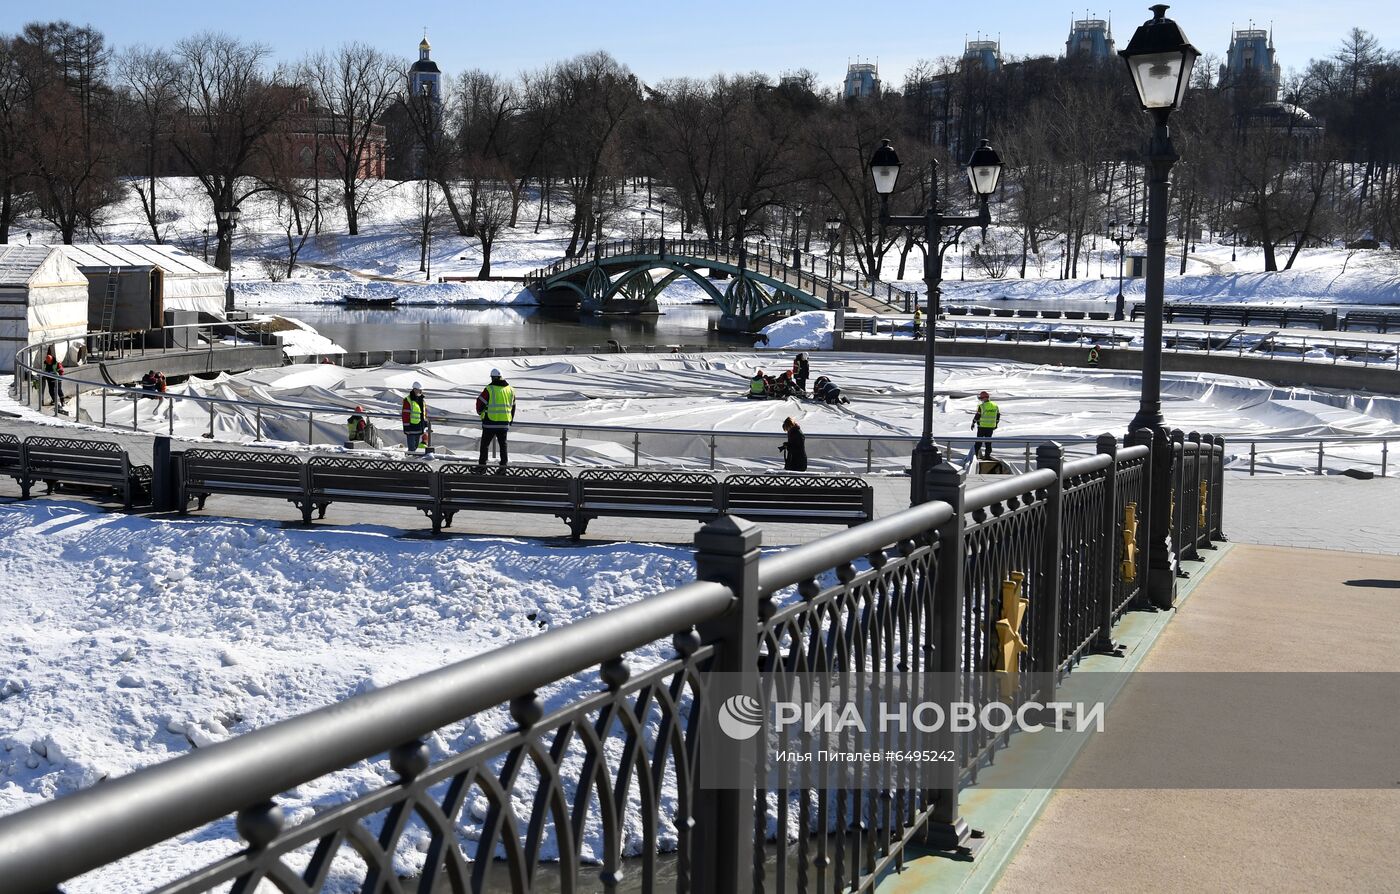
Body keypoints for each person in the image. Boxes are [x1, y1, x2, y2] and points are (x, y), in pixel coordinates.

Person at [476, 368, 516, 467]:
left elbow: (480, 402)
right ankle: (503, 466)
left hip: (490, 422)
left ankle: (482, 467)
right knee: (503, 445)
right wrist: (510, 419)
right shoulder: (510, 389)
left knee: (485, 445)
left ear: (493, 378)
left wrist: (480, 412)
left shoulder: (490, 389)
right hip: (504, 423)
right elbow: (513, 406)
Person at [970, 390, 1001, 459]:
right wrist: (996, 424)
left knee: (978, 442)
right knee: (988, 442)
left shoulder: (981, 406)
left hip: (982, 426)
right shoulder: (995, 405)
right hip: (990, 427)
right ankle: (987, 456)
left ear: (985, 398)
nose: (981, 400)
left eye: (981, 398)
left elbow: (977, 415)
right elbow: (998, 415)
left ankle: (975, 455)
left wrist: (973, 422)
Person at [402, 382, 429, 452]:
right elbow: (405, 414)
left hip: (419, 427)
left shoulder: (422, 400)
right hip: (411, 427)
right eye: (419, 390)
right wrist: (406, 427)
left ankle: (412, 460)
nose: (421, 391)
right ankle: (410, 461)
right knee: (411, 449)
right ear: (414, 389)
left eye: (421, 390)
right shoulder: (408, 400)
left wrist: (425, 422)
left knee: (416, 447)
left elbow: (424, 412)